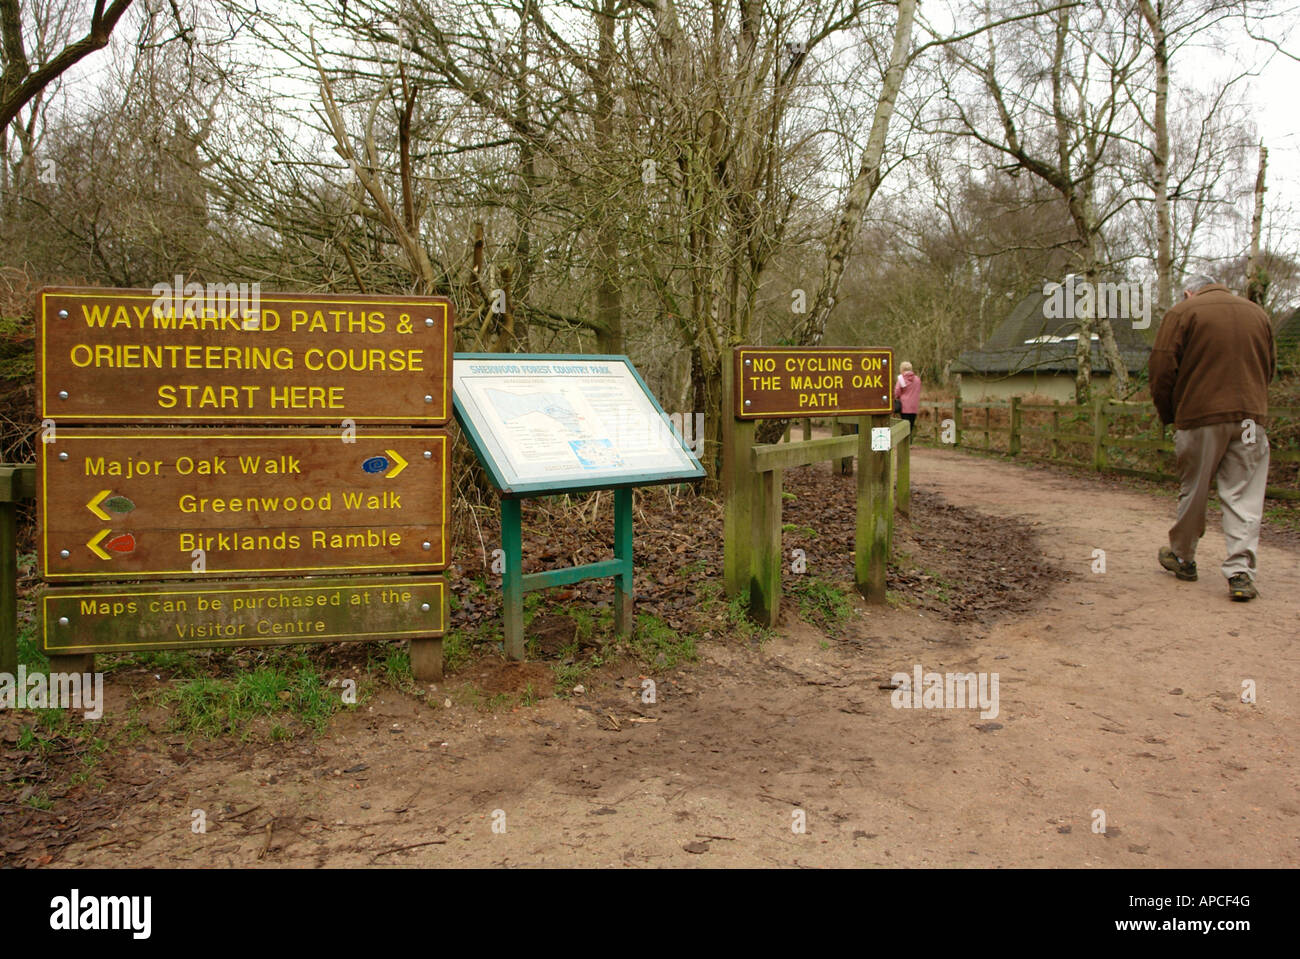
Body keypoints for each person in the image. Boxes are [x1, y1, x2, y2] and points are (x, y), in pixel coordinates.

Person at [1148, 274, 1275, 601]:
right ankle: (1240, 573)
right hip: (1249, 419)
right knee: (1243, 494)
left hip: (1201, 417)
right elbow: (1269, 367)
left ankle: (1183, 558)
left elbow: (1161, 369)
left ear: (1190, 292)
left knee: (1196, 488)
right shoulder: (1257, 314)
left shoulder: (1183, 313)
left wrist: (1171, 414)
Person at [894, 361, 921, 432]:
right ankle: (910, 442)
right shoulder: (917, 379)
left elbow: (897, 392)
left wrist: (896, 397)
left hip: (904, 407)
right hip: (914, 407)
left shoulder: (901, 379)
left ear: (902, 369)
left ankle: (906, 442)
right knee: (910, 427)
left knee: (904, 428)